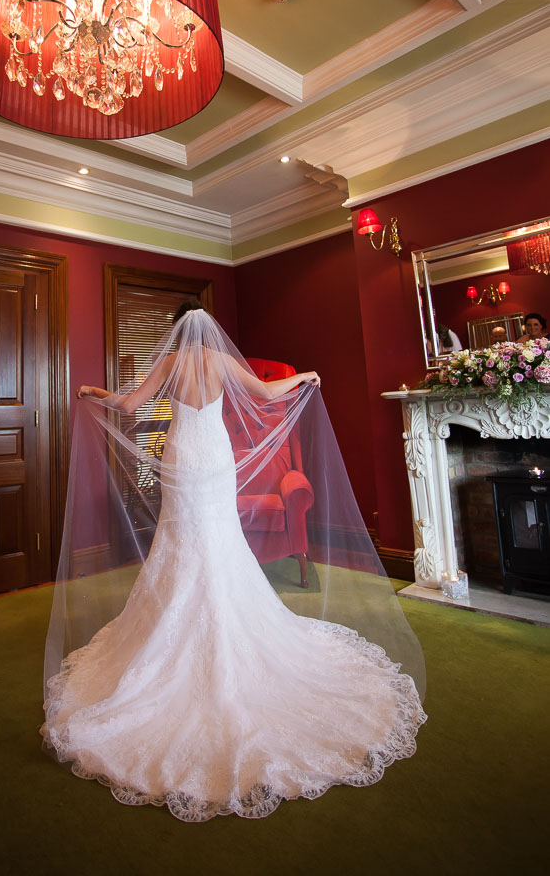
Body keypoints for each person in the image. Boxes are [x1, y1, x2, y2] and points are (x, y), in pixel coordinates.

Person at [41, 301, 426, 822]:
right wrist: (307, 375)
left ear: (176, 328)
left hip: (182, 454)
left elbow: (131, 407)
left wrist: (97, 394)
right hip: (214, 456)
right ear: (207, 326)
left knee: (180, 540)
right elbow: (267, 393)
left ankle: (172, 628)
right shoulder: (219, 360)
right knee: (219, 538)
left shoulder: (172, 362)